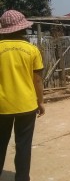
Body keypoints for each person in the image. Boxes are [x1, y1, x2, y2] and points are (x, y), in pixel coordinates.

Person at [0, 10, 45, 181]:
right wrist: (40, 102)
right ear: (23, 28)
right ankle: (22, 178)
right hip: (26, 105)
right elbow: (38, 81)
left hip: (1, 106)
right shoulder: (32, 50)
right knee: (23, 145)